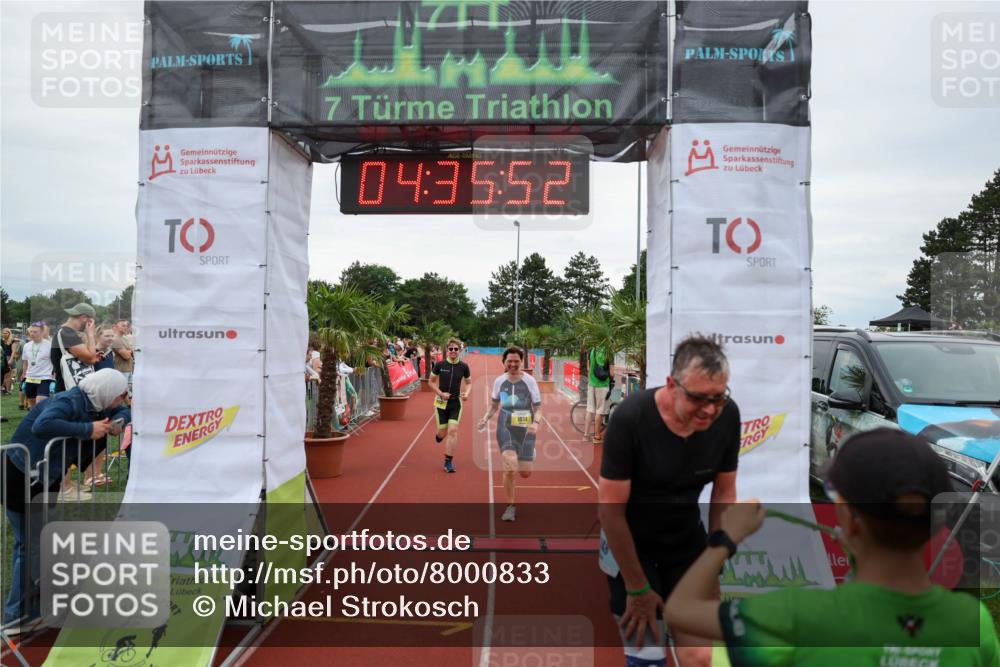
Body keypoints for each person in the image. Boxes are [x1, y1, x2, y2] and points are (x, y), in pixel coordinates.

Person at [664, 428, 1000, 666]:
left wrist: (726, 537)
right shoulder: (973, 622)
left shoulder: (800, 615)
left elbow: (679, 609)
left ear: (850, 520)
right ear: (937, 524)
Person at [598, 334, 739, 667]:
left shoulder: (727, 416)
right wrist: (637, 589)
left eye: (718, 398)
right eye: (698, 398)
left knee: (701, 657)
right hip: (630, 546)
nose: (709, 409)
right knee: (647, 655)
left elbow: (724, 492)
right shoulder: (630, 419)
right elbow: (611, 511)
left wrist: (713, 566)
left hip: (685, 543)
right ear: (671, 385)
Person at [1, 368, 130, 634]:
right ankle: (16, 615)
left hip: (43, 479)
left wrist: (118, 421)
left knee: (42, 543)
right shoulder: (69, 401)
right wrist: (88, 429)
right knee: (30, 546)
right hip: (19, 476)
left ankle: (34, 607)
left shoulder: (95, 404)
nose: (125, 398)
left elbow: (125, 412)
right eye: (121, 394)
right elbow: (42, 425)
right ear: (107, 392)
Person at [477, 347, 542, 521]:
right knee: (510, 468)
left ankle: (528, 452)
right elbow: (494, 406)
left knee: (525, 473)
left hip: (526, 428)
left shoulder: (529, 381)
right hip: (505, 427)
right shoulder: (499, 381)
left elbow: (538, 409)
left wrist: (535, 423)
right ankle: (510, 507)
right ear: (504, 362)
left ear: (521, 362)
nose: (513, 364)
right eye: (509, 361)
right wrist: (485, 418)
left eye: (516, 361)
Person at [429, 338, 471, 473]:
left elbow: (469, 383)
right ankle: (439, 435)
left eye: (456, 349)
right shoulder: (440, 365)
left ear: (460, 350)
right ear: (447, 350)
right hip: (441, 403)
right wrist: (441, 393)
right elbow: (431, 382)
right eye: (451, 348)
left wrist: (466, 393)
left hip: (455, 403)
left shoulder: (464, 367)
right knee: (442, 433)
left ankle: (448, 461)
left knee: (453, 430)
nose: (453, 351)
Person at [51, 302, 100, 392]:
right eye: (90, 321)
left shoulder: (64, 331)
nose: (92, 324)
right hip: (68, 390)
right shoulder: (68, 334)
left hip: (64, 387)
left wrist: (92, 355)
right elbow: (91, 359)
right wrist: (90, 334)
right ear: (84, 318)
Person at [20, 323, 54, 407]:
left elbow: (55, 362)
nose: (32, 334)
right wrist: (24, 374)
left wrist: (55, 375)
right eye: (31, 331)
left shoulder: (50, 345)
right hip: (30, 378)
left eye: (35, 332)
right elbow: (25, 362)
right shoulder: (26, 346)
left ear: (42, 332)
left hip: (45, 378)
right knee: (33, 405)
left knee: (40, 402)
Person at [587, 344, 612, 444]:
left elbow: (588, 368)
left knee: (590, 409)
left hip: (591, 384)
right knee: (600, 411)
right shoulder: (608, 352)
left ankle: (586, 435)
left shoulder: (592, 349)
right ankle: (597, 436)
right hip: (602, 385)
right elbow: (612, 373)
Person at [1, 328, 17, 395]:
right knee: (3, 375)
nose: (4, 334)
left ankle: (8, 390)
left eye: (6, 333)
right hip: (2, 358)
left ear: (9, 333)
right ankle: (4, 389)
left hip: (9, 358)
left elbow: (13, 351)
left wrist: (10, 360)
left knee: (8, 375)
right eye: (3, 333)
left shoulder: (12, 341)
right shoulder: (1, 340)